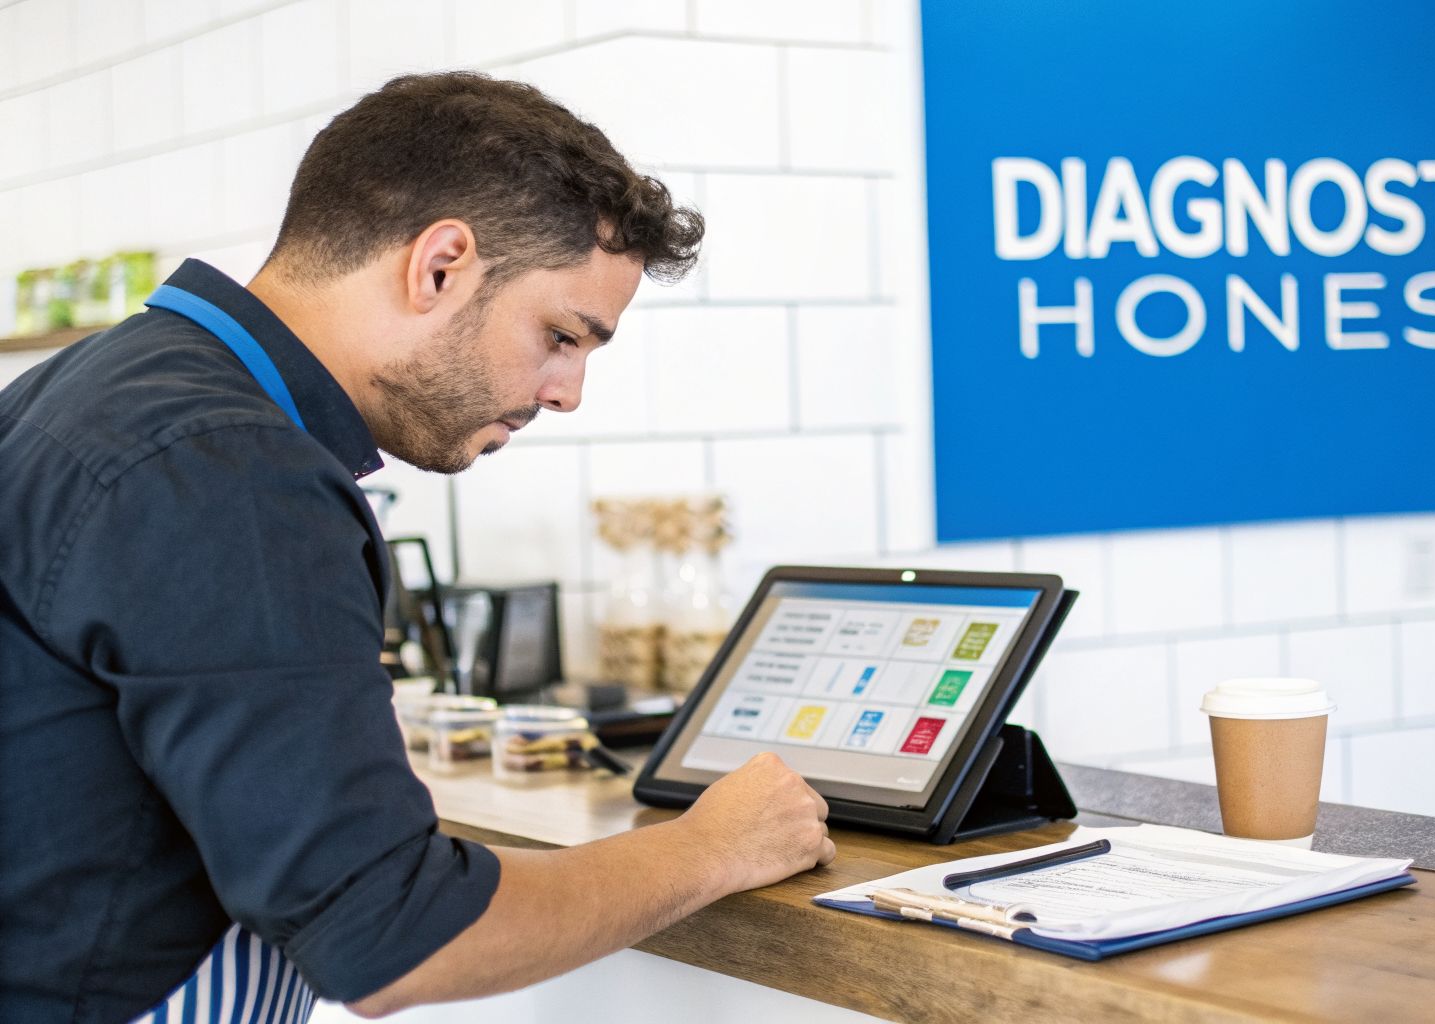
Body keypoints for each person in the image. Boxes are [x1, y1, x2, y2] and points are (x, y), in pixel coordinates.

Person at [0, 72, 835, 1022]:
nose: (567, 393)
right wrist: (716, 845)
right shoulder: (234, 472)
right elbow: (392, 935)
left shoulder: (97, 390)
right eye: (561, 334)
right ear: (440, 265)